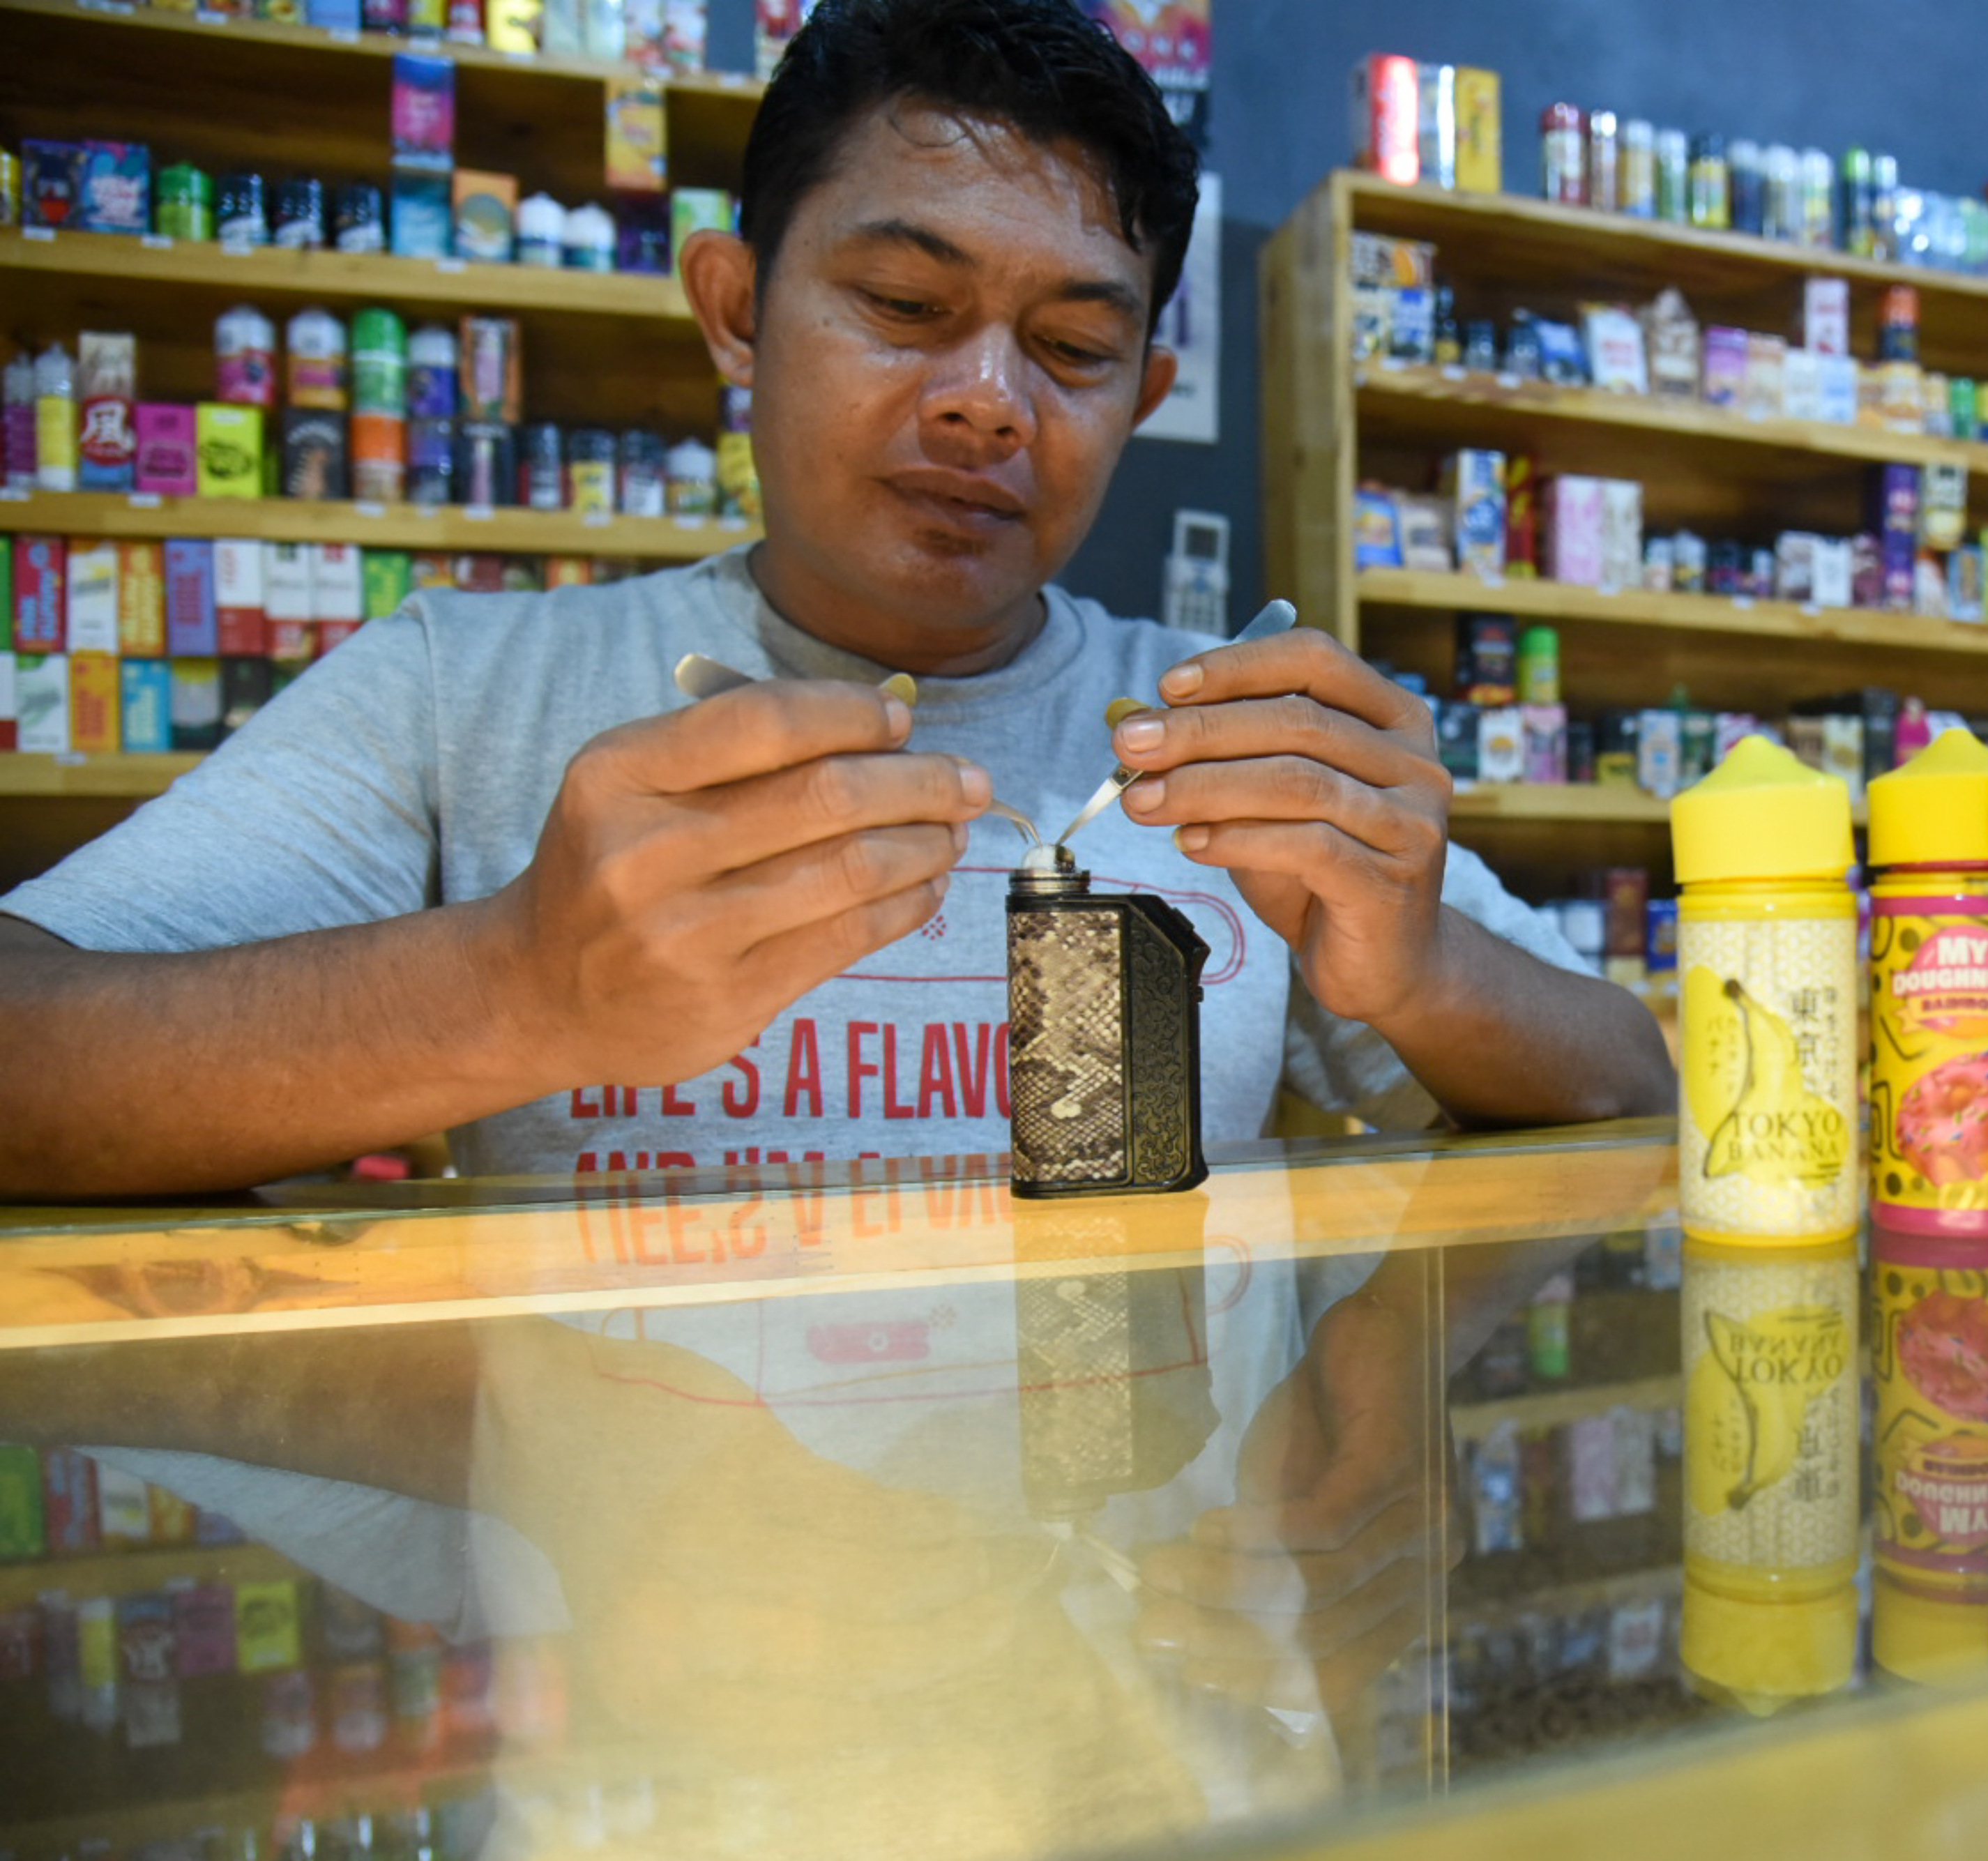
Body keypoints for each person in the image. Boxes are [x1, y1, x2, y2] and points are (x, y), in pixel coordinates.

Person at [0, 0, 1674, 1197]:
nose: (988, 404)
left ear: (1143, 394)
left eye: (1072, 348)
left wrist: (1413, 964)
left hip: (1116, 1572)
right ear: (734, 310)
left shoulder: (1228, 733)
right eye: (900, 304)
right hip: (643, 1593)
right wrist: (518, 983)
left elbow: (1629, 1082)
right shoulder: (466, 687)